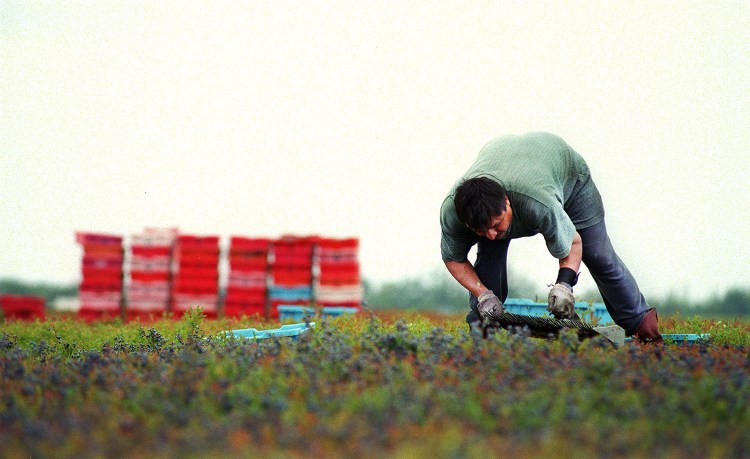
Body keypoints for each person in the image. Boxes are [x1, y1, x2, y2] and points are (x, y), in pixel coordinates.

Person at [439, 132, 663, 344]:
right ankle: (484, 332)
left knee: (598, 255)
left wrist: (564, 285)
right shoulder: (453, 212)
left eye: (496, 225)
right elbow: (453, 258)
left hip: (570, 178)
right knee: (489, 256)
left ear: (507, 202)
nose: (491, 234)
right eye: (481, 230)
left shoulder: (538, 204)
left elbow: (574, 242)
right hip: (510, 165)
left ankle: (643, 327)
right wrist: (483, 294)